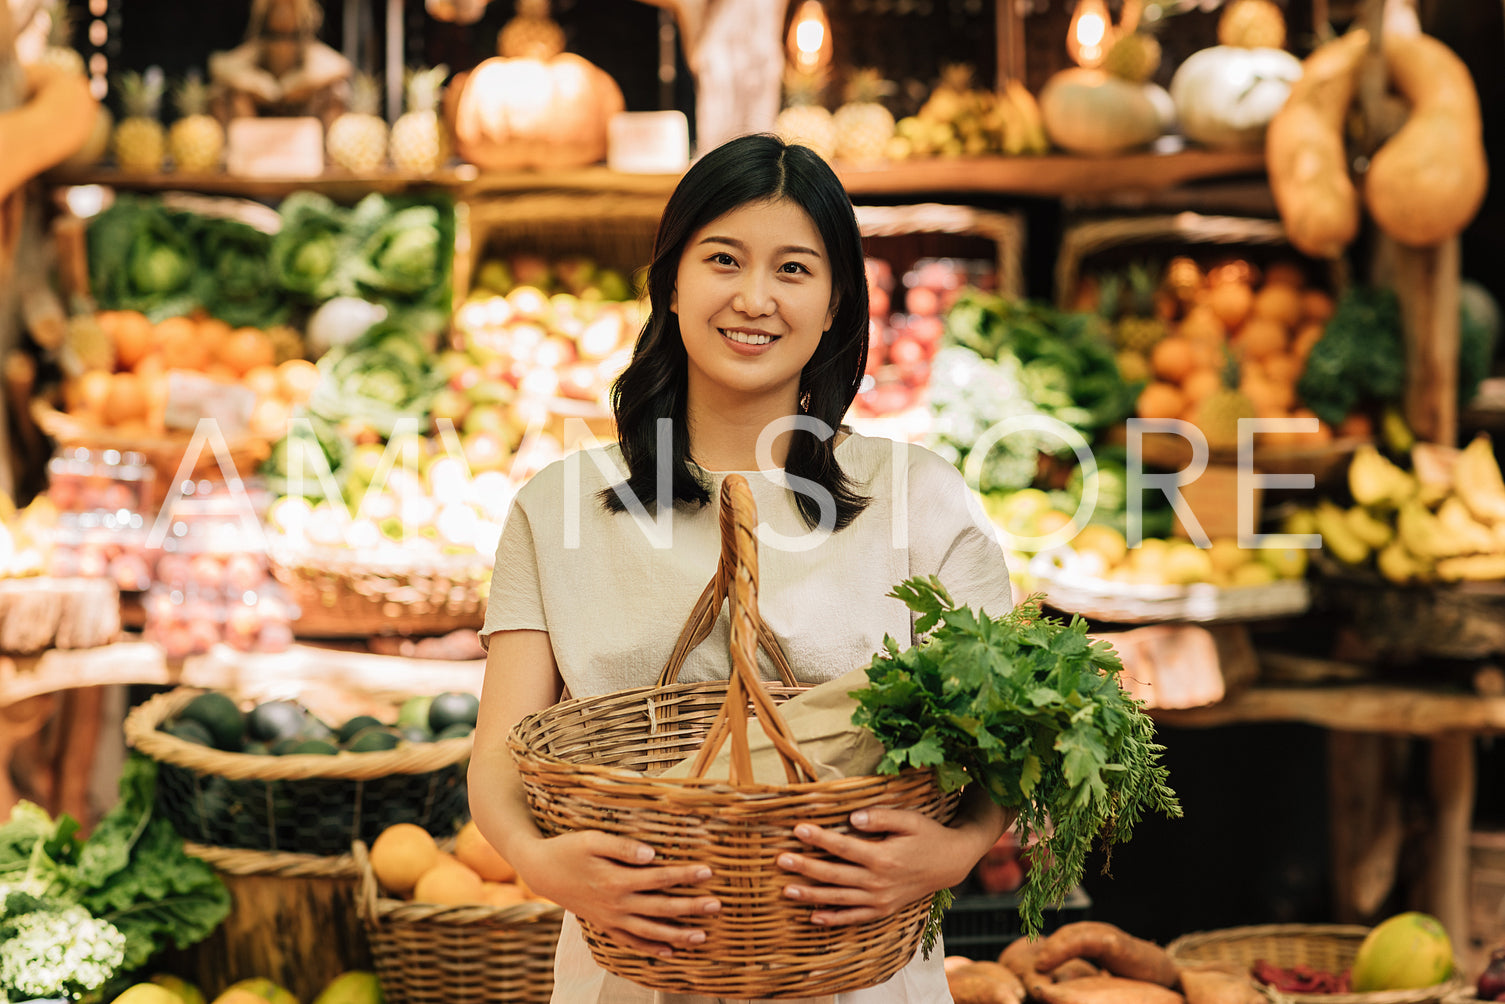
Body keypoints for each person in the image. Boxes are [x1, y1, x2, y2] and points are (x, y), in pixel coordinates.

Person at [469, 132, 1015, 1004]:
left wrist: (953, 850)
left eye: (794, 270)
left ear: (838, 302)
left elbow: (1010, 729)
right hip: (635, 969)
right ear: (671, 282)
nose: (753, 298)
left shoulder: (918, 496)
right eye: (722, 259)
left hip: (859, 967)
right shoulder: (557, 507)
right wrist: (539, 865)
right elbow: (496, 756)